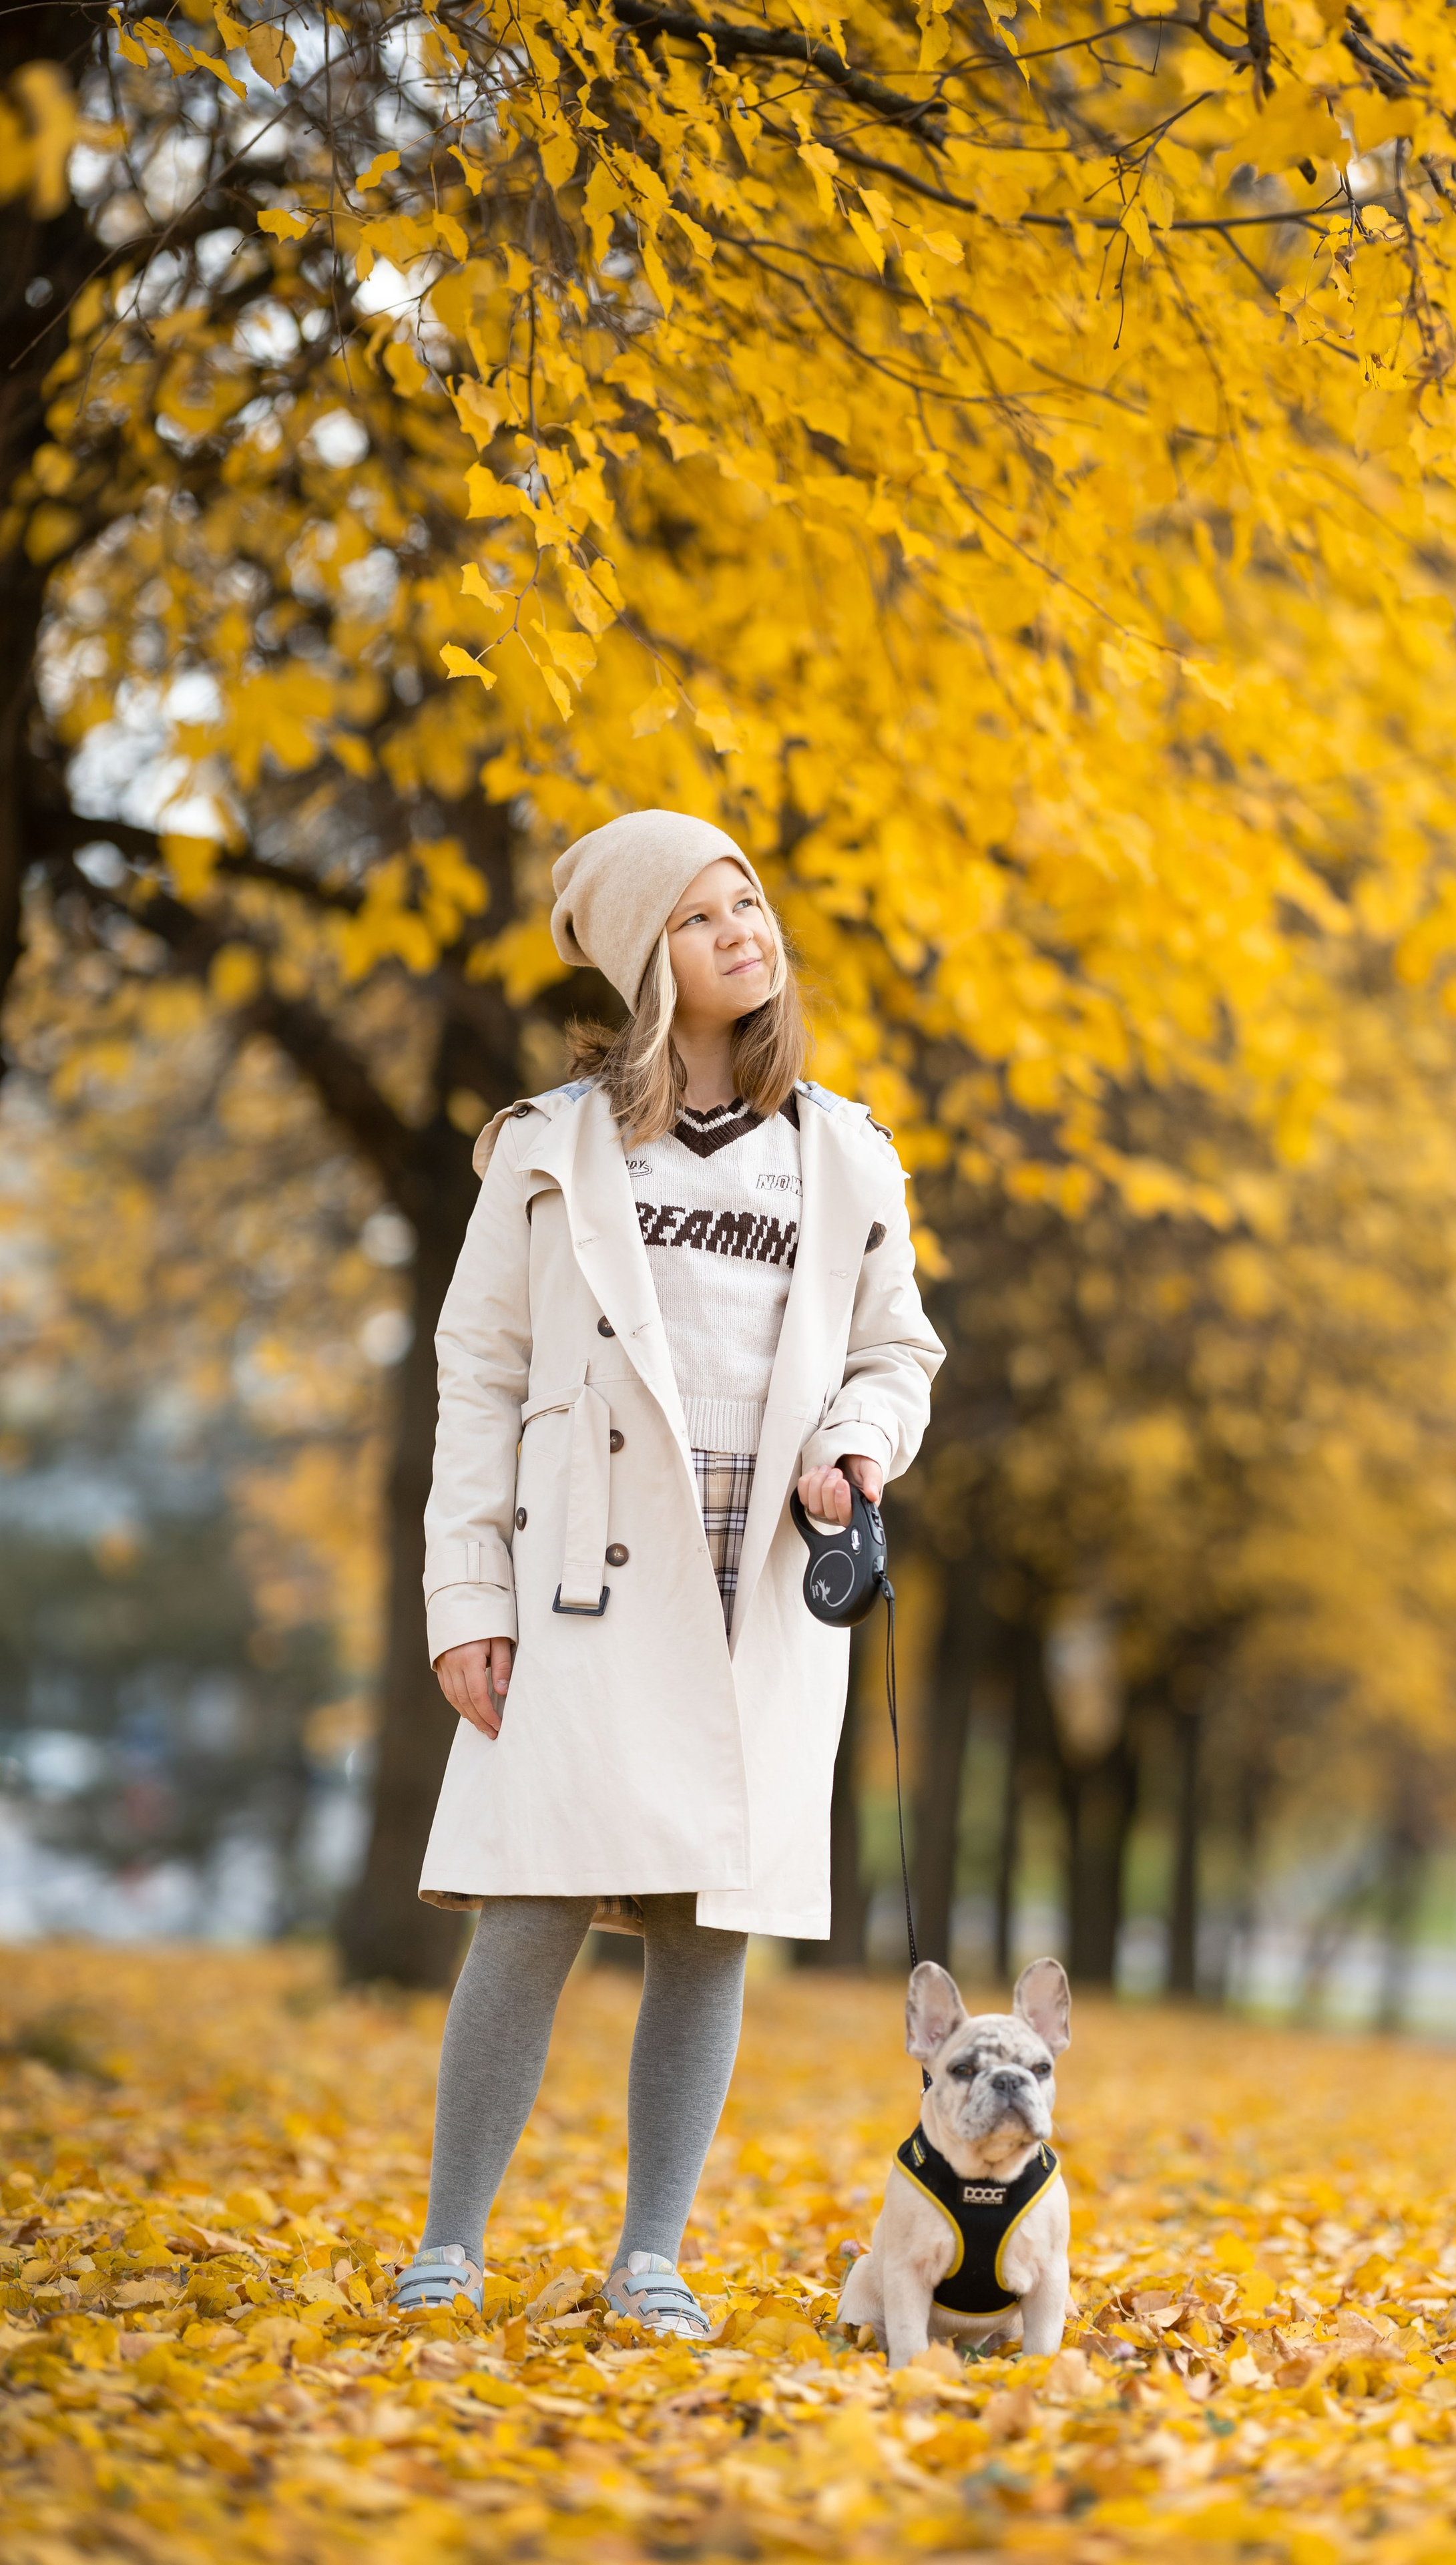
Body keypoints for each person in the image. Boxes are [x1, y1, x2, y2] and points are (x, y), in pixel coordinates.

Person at [390, 809, 944, 2335]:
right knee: (532, 1906)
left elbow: (899, 1349)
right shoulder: (548, 1150)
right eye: (702, 918)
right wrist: (467, 1602)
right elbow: (477, 1374)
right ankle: (447, 2240)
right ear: (646, 960)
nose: (742, 933)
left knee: (709, 1929)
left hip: (751, 1591)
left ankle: (653, 2260)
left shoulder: (842, 1152)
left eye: (748, 902)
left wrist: (855, 1439)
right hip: (576, 1586)